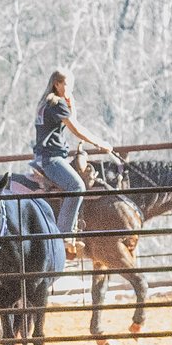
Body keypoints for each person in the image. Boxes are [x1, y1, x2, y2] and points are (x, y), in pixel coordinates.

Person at [32, 71, 112, 235]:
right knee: (76, 186)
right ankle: (63, 233)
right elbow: (76, 129)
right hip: (52, 159)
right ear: (57, 84)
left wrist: (71, 103)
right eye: (67, 85)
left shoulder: (46, 103)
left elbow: (71, 120)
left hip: (43, 156)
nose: (71, 88)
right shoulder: (56, 104)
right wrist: (99, 143)